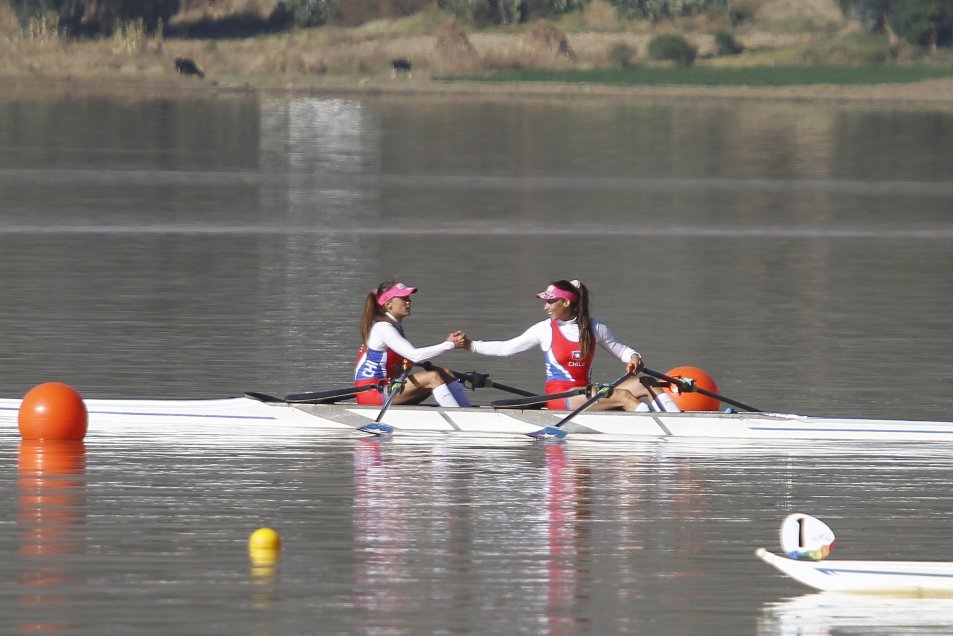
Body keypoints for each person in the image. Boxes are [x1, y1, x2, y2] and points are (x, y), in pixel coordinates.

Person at [457, 279, 680, 412]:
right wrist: (470, 345)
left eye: (550, 301)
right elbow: (507, 348)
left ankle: (676, 421)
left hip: (586, 391)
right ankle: (652, 424)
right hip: (559, 397)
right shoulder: (544, 329)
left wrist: (634, 358)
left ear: (566, 302)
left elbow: (623, 350)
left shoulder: (595, 328)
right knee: (623, 397)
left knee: (646, 382)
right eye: (545, 301)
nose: (546, 307)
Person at [355, 281, 471, 407]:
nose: (409, 301)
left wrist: (408, 364)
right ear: (388, 304)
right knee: (433, 377)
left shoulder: (395, 326)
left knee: (446, 373)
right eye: (403, 298)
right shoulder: (383, 328)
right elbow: (414, 355)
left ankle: (466, 410)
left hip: (387, 387)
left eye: (408, 298)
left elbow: (405, 360)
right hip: (372, 393)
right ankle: (459, 417)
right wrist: (450, 344)